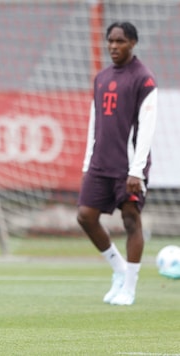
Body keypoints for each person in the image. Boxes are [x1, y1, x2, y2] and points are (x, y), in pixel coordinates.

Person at [77, 22, 157, 306]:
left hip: (128, 166)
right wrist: (88, 161)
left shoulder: (143, 79)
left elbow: (147, 127)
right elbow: (94, 122)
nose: (113, 46)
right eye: (110, 41)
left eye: (120, 41)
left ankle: (130, 288)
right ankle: (119, 270)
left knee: (130, 220)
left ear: (132, 43)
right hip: (100, 162)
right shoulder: (101, 77)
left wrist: (137, 170)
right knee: (85, 216)